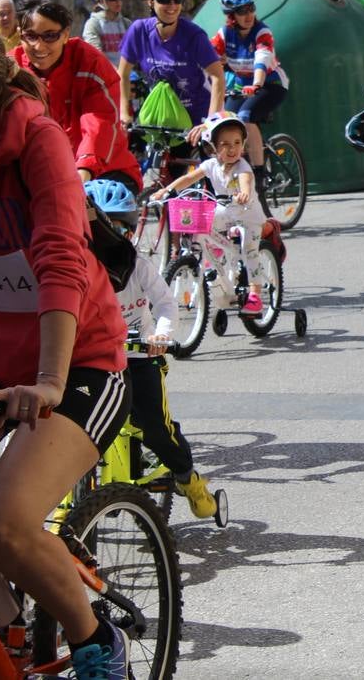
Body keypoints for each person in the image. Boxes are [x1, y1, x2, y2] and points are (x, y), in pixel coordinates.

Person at [0, 16, 134, 679]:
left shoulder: (37, 142)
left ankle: (98, 646)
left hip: (75, 359)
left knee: (6, 517)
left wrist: (50, 382)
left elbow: (62, 259)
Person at [83, 178, 218, 519]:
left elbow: (165, 304)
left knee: (156, 428)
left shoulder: (138, 266)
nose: (108, 236)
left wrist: (160, 335)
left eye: (117, 227)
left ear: (128, 231)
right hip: (96, 359)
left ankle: (188, 478)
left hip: (140, 356)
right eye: (101, 227)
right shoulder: (78, 268)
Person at [10, 0, 142, 192]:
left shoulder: (90, 63)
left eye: (49, 36)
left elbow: (99, 122)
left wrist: (83, 171)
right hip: (36, 172)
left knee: (103, 214)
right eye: (30, 36)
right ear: (20, 36)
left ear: (65, 34)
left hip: (103, 169)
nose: (39, 46)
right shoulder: (10, 69)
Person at [152, 111, 268, 315]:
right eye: (225, 144)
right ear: (212, 147)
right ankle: (214, 251)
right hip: (225, 211)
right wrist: (167, 190)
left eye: (237, 142)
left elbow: (246, 183)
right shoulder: (211, 165)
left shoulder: (242, 167)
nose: (232, 149)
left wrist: (244, 193)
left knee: (249, 251)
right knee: (205, 221)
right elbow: (188, 179)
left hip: (248, 214)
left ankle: (255, 295)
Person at [118, 0, 226, 146]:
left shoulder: (194, 35)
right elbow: (122, 74)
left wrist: (210, 122)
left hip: (195, 119)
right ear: (150, 1)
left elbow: (217, 77)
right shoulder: (139, 30)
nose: (172, 6)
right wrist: (124, 113)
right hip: (160, 117)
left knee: (203, 171)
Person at [211, 0, 290, 186]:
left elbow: (262, 59)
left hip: (270, 84)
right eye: (242, 11)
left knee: (246, 117)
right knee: (223, 123)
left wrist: (256, 83)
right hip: (241, 86)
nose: (248, 15)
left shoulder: (262, 31)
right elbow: (209, 59)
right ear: (231, 17)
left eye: (251, 9)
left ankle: (259, 171)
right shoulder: (224, 34)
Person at [82, 0, 129, 68]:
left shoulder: (126, 23)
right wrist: (115, 73)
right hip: (104, 76)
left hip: (127, 75)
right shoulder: (93, 24)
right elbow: (96, 53)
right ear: (101, 1)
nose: (118, 2)